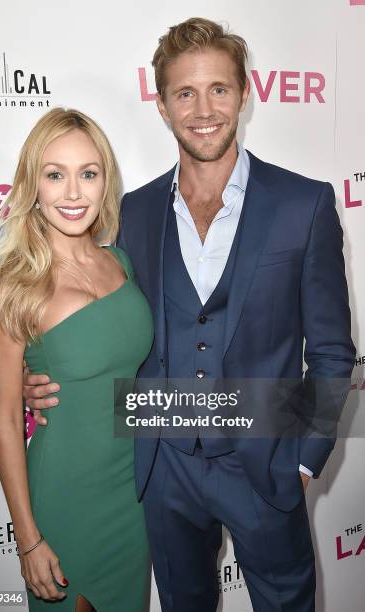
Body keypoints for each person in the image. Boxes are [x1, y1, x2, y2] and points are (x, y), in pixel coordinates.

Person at [24, 18, 356, 612]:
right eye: (185, 93)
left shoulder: (303, 204)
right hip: (163, 470)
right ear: (162, 105)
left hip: (266, 469)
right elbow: (100, 315)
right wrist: (47, 372)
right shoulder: (133, 211)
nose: (204, 110)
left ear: (245, 94)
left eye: (219, 90)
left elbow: (333, 353)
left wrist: (305, 461)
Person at [0, 108, 153, 612]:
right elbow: (8, 423)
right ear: (33, 185)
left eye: (88, 173)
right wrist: (28, 540)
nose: (74, 193)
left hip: (134, 493)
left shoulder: (120, 262)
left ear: (106, 181)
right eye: (55, 175)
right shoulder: (13, 286)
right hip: (67, 496)